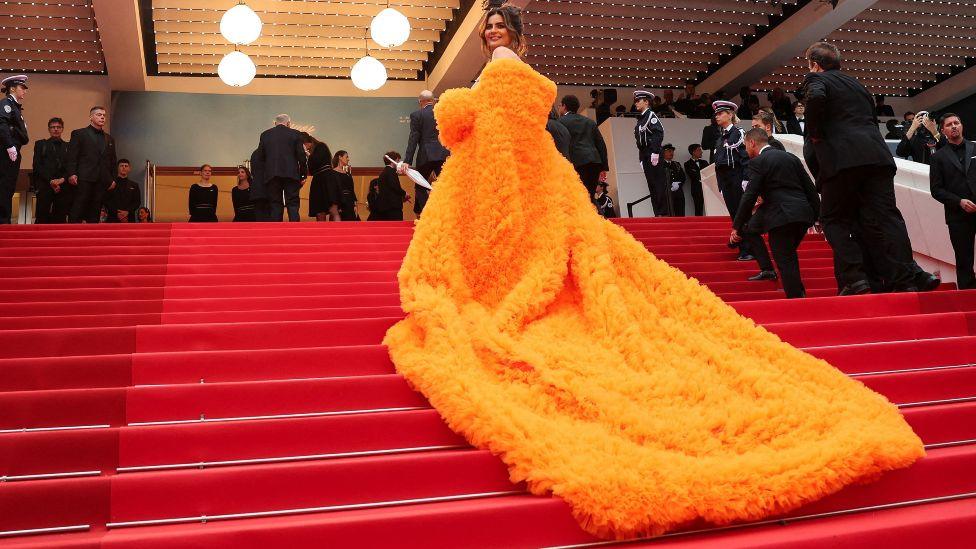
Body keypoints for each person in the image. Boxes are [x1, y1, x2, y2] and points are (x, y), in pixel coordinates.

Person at [802, 41, 925, 294]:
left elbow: (815, 97)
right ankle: (907, 275)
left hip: (842, 160)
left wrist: (814, 133)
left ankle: (855, 277)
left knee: (833, 218)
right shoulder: (858, 85)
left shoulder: (817, 80)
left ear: (815, 65)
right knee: (888, 217)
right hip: (878, 158)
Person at [731, 128, 821, 298]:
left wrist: (736, 226)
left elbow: (749, 195)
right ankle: (786, 284)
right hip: (802, 214)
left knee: (785, 259)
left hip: (781, 216)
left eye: (745, 146)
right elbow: (810, 188)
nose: (746, 150)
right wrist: (817, 216)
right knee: (785, 254)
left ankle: (797, 300)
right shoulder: (791, 157)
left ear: (752, 143)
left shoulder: (758, 162)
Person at [929, 113, 976, 289]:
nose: (954, 126)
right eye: (949, 125)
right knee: (963, 259)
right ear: (943, 131)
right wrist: (959, 202)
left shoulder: (975, 147)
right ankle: (968, 295)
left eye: (957, 122)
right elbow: (936, 190)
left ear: (962, 125)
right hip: (958, 215)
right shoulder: (937, 157)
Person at [712, 100, 754, 261]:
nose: (717, 116)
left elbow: (745, 158)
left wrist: (745, 178)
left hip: (737, 177)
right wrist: (720, 184)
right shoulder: (721, 137)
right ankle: (743, 247)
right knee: (735, 215)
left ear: (730, 115)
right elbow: (718, 164)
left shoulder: (738, 133)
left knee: (742, 215)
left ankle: (749, 249)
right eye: (716, 114)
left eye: (721, 113)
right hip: (727, 180)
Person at [401, 90, 449, 220]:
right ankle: (446, 215)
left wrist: (407, 160)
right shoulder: (443, 114)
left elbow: (413, 139)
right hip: (444, 154)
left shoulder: (417, 115)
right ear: (433, 101)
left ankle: (429, 214)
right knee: (445, 185)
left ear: (420, 102)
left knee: (420, 185)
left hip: (426, 155)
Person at [66, 106, 117, 223]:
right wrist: (71, 173)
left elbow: (113, 160)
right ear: (91, 117)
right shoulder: (79, 134)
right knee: (78, 208)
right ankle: (72, 236)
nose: (102, 117)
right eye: (99, 115)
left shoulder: (109, 139)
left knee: (96, 210)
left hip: (102, 180)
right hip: (83, 178)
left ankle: (91, 238)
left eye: (104, 115)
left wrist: (113, 179)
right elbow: (72, 156)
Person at [254, 113, 307, 222]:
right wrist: (303, 174)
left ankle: (276, 231)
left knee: (275, 204)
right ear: (288, 123)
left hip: (272, 175)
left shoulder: (265, 135)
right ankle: (295, 230)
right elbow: (301, 156)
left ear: (275, 123)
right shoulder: (296, 134)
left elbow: (260, 157)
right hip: (291, 174)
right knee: (292, 203)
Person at [558, 94, 609, 202]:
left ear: (564, 106)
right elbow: (601, 144)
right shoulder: (589, 122)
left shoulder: (561, 122)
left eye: (560, 105)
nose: (559, 108)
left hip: (576, 164)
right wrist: (604, 167)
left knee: (577, 198)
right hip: (594, 163)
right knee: (590, 197)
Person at [633, 90, 667, 216]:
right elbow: (639, 142)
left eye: (638, 101)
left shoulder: (651, 116)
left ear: (646, 102)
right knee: (652, 184)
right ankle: (657, 212)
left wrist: (655, 152)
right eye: (635, 101)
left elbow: (659, 134)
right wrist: (641, 158)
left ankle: (663, 213)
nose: (636, 103)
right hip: (645, 154)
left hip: (653, 152)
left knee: (658, 183)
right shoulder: (641, 119)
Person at [0, 75, 29, 224]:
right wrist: (9, 145)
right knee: (5, 185)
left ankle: (5, 219)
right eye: (22, 87)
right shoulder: (7, 103)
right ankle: (3, 220)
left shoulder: (16, 106)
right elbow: (2, 124)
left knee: (9, 185)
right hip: (6, 150)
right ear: (12, 88)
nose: (24, 91)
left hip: (14, 149)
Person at [32, 116, 68, 223]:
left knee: (60, 219)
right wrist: (51, 181)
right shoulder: (40, 144)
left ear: (62, 129)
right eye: (53, 127)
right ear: (49, 129)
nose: (56, 129)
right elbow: (37, 166)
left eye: (58, 127)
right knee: (41, 217)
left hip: (62, 187)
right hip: (45, 185)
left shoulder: (68, 146)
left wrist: (61, 180)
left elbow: (71, 167)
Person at [304, 132, 336, 221]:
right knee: (319, 208)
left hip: (327, 179)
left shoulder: (321, 146)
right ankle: (322, 230)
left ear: (307, 143)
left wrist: (307, 153)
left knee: (332, 207)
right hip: (317, 180)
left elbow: (316, 160)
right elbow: (310, 169)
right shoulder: (312, 151)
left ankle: (334, 230)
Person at [368, 151, 408, 221]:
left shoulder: (384, 172)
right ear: (393, 161)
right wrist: (404, 193)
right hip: (392, 207)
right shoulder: (391, 172)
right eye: (398, 160)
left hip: (385, 207)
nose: (399, 163)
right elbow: (395, 186)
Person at [104, 159, 140, 223]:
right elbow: (106, 200)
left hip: (129, 219)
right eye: (121, 166)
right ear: (117, 168)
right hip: (113, 218)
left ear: (129, 169)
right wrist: (117, 213)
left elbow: (137, 202)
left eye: (126, 166)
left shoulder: (135, 185)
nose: (124, 167)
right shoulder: (111, 184)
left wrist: (127, 212)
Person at [327, 150, 358, 221]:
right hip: (338, 203)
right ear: (340, 157)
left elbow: (352, 190)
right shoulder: (332, 173)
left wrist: (355, 205)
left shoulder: (348, 174)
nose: (348, 159)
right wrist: (336, 207)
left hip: (349, 203)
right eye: (346, 157)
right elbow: (332, 191)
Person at [684, 144, 709, 216]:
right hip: (696, 189)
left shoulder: (704, 162)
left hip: (707, 188)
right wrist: (702, 177)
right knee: (698, 208)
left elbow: (708, 173)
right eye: (699, 150)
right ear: (693, 152)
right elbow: (692, 175)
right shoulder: (687, 164)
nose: (701, 152)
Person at [662, 143, 685, 216]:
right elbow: (658, 179)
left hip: (678, 193)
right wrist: (669, 186)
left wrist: (678, 184)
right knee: (669, 214)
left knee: (680, 213)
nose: (671, 153)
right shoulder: (660, 165)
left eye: (672, 151)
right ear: (663, 153)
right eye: (669, 151)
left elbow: (683, 177)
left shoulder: (676, 164)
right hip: (666, 194)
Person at [248, 146, 269, 221]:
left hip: (256, 188)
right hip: (268, 187)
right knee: (269, 218)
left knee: (259, 216)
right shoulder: (269, 152)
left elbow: (253, 172)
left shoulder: (255, 153)